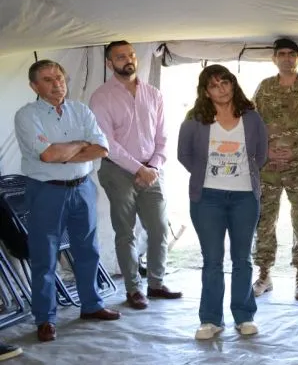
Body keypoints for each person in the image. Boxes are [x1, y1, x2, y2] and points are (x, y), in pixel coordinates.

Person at [14, 59, 122, 342]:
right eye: (47, 80)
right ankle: (45, 318)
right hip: (45, 191)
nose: (56, 84)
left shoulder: (81, 110)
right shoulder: (27, 116)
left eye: (59, 78)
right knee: (45, 255)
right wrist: (80, 144)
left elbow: (101, 149)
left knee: (88, 249)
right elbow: (47, 155)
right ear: (34, 86)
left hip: (83, 187)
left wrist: (66, 151)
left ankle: (91, 304)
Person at [89, 40, 182, 310]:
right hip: (118, 171)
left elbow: (162, 136)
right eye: (120, 56)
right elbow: (106, 143)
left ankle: (155, 284)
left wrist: (152, 167)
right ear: (109, 63)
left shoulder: (153, 94)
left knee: (159, 228)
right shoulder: (101, 96)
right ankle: (133, 289)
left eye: (130, 54)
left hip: (151, 171)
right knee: (125, 232)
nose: (127, 59)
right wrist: (138, 169)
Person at [177, 64, 268, 340]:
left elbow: (261, 154)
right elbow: (184, 154)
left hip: (244, 198)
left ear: (233, 84)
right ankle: (210, 320)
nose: (221, 89)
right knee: (212, 260)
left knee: (242, 259)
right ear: (206, 92)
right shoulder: (195, 119)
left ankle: (244, 316)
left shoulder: (251, 118)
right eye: (214, 85)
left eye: (225, 82)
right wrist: (207, 177)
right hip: (207, 198)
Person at [251, 38, 298, 300]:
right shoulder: (265, 88)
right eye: (281, 54)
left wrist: (295, 150)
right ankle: (264, 274)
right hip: (268, 167)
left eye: (291, 54)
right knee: (264, 222)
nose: (286, 58)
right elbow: (253, 125)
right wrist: (267, 151)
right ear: (274, 59)